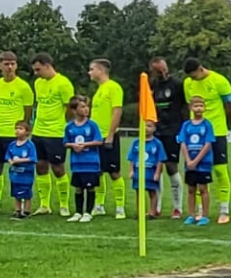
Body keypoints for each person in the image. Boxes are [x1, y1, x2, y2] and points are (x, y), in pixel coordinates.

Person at [182, 57, 231, 224]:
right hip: (195, 134)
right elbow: (190, 105)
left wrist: (224, 123)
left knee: (220, 170)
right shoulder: (188, 83)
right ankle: (199, 211)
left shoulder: (219, 80)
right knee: (197, 173)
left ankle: (224, 210)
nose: (192, 79)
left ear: (201, 69)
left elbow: (230, 105)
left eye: (194, 75)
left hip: (216, 132)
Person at [29, 54, 76, 217]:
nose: (36, 73)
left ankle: (64, 205)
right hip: (38, 131)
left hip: (56, 132)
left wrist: (66, 126)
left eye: (38, 69)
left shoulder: (63, 83)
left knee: (58, 168)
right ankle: (44, 205)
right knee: (40, 166)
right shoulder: (38, 83)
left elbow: (70, 108)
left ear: (48, 65)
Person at [0, 53, 35, 208]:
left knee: (19, 167)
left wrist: (23, 130)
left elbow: (28, 110)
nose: (10, 67)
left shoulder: (23, 86)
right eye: (6, 64)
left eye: (12, 64)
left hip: (14, 134)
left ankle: (22, 200)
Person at [145, 57, 185, 216]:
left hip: (173, 130)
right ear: (152, 71)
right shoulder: (152, 86)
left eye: (164, 69)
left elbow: (185, 106)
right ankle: (156, 207)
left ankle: (177, 207)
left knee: (171, 166)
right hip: (157, 131)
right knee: (155, 167)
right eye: (159, 71)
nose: (163, 73)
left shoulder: (177, 85)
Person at [86, 60, 124, 218]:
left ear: (100, 71)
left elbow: (117, 112)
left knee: (114, 172)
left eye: (91, 69)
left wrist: (110, 135)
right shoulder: (99, 90)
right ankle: (99, 205)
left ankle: (120, 207)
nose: (89, 72)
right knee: (98, 171)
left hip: (107, 136)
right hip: (96, 137)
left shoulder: (113, 87)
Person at [64, 94, 105, 223]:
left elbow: (99, 141)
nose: (86, 109)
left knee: (90, 187)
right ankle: (78, 212)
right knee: (78, 187)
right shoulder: (69, 127)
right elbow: (65, 142)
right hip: (77, 163)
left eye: (87, 106)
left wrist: (84, 145)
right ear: (74, 110)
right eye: (82, 107)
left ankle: (88, 212)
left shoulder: (92, 125)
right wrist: (73, 145)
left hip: (91, 162)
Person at [177, 94, 216, 227]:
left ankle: (204, 216)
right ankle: (191, 215)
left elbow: (208, 144)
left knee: (203, 188)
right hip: (190, 164)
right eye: (196, 106)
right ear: (191, 108)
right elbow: (183, 143)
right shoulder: (186, 125)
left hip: (203, 163)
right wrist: (188, 160)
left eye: (201, 106)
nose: (198, 108)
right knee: (191, 189)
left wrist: (196, 161)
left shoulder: (207, 125)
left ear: (204, 108)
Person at [127, 126, 167, 220]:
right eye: (144, 125)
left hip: (151, 172)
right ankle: (140, 212)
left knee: (152, 192)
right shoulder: (136, 142)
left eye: (149, 126)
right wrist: (131, 170)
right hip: (138, 172)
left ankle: (152, 212)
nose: (146, 128)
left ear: (154, 128)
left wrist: (157, 173)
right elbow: (132, 158)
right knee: (139, 192)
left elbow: (160, 160)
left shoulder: (157, 143)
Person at [4, 121, 39, 220]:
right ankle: (17, 210)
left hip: (26, 174)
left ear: (27, 132)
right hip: (15, 173)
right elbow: (7, 155)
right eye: (16, 128)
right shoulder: (12, 144)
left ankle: (26, 211)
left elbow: (33, 158)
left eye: (20, 129)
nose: (17, 131)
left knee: (26, 192)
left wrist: (20, 160)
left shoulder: (29, 145)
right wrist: (11, 161)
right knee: (16, 192)